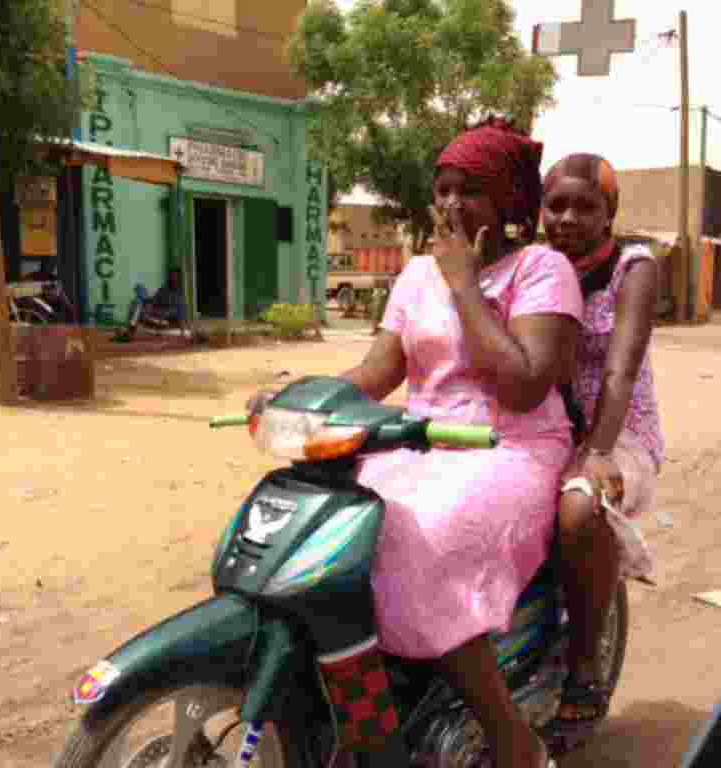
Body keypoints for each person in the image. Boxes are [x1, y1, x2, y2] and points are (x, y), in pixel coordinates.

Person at [251, 118, 582, 768]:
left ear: (509, 202)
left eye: (473, 190)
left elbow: (520, 387)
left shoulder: (543, 269)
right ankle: (358, 708)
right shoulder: (415, 275)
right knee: (321, 529)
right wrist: (295, 394)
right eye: (444, 189)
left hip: (506, 448)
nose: (453, 204)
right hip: (416, 443)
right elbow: (377, 373)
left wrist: (465, 286)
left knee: (413, 540)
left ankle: (513, 741)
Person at [540, 154, 664, 737]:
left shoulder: (631, 267)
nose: (566, 217)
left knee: (579, 507)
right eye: (555, 204)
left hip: (619, 431)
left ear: (609, 212)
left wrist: (596, 452)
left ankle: (585, 666)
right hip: (546, 428)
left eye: (584, 206)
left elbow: (621, 369)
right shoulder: (534, 264)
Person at [115, 267, 188, 342]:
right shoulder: (163, 290)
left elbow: (180, 315)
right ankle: (129, 332)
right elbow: (152, 302)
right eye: (171, 276)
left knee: (139, 305)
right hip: (153, 318)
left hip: (163, 323)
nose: (173, 279)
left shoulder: (179, 295)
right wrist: (145, 302)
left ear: (179, 279)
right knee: (137, 302)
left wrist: (182, 333)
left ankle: (129, 332)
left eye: (175, 277)